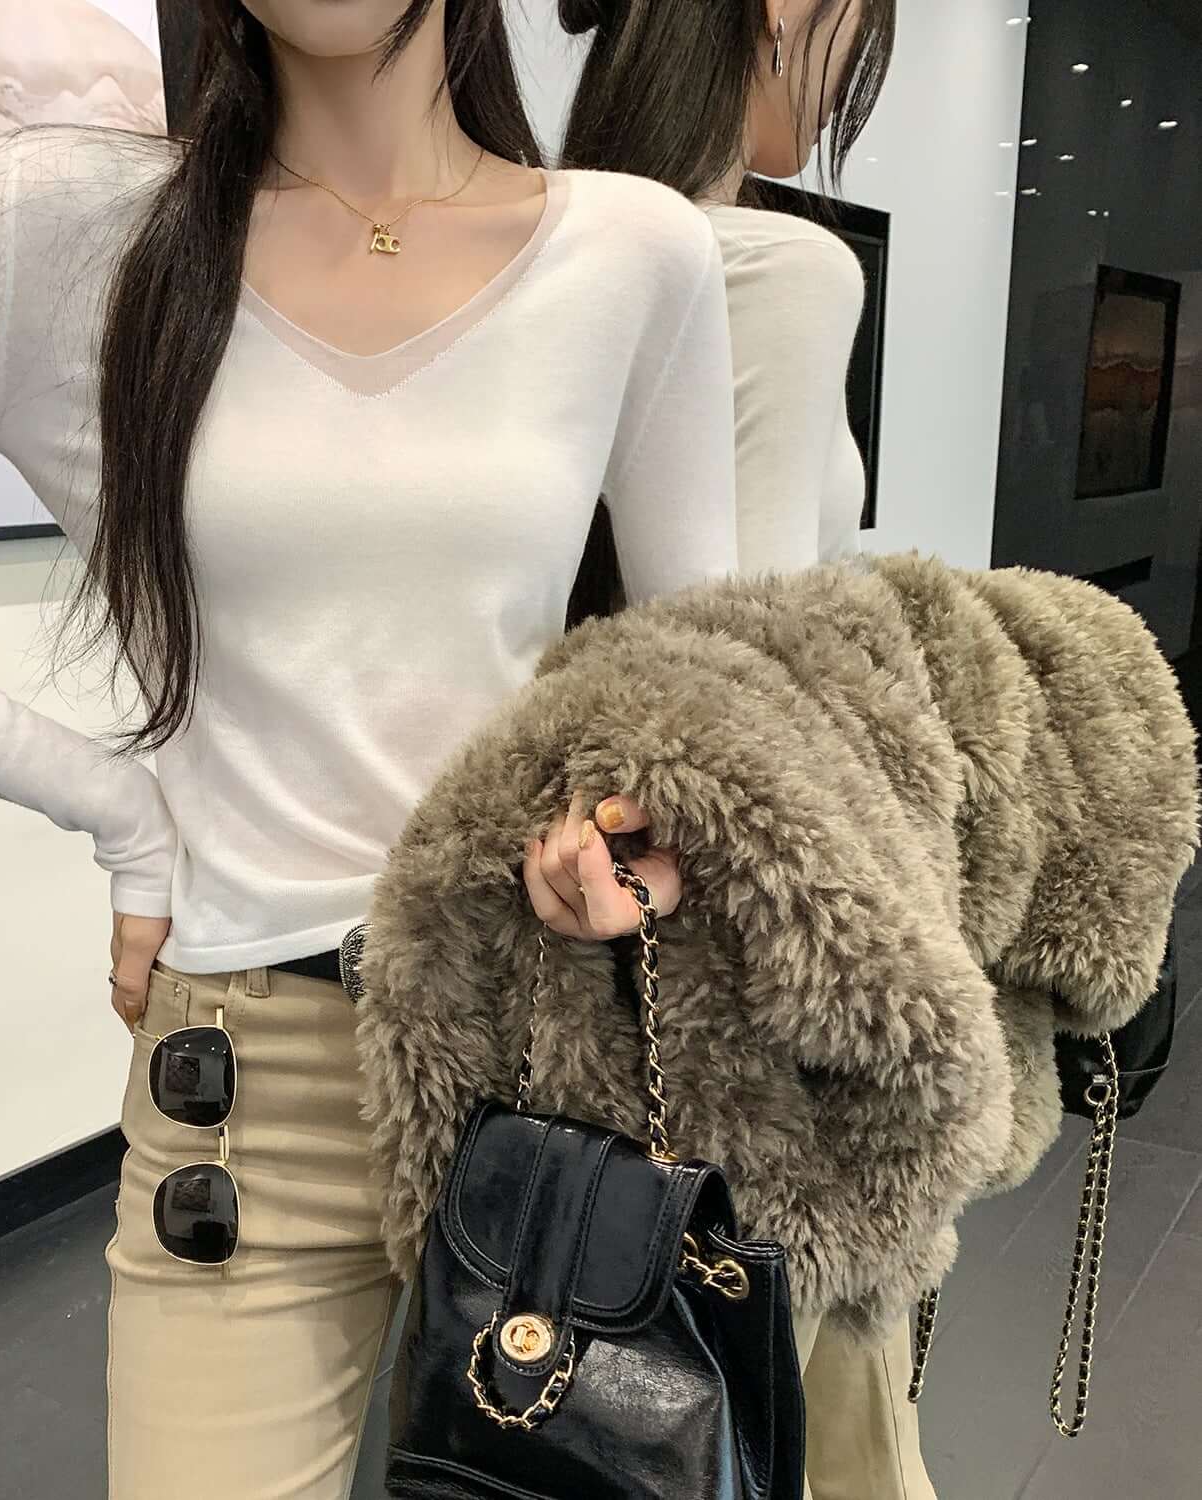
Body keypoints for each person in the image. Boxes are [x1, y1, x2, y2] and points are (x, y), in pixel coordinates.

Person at [0, 1, 740, 1494]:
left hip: (552, 1047)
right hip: (255, 1085)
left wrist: (636, 838)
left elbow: (703, 688)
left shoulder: (634, 250)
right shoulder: (65, 225)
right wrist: (119, 808)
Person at [556, 3, 939, 1499]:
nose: (847, 87)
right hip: (747, 975)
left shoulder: (561, 254)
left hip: (589, 939)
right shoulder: (778, 266)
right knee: (828, 1437)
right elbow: (747, 694)